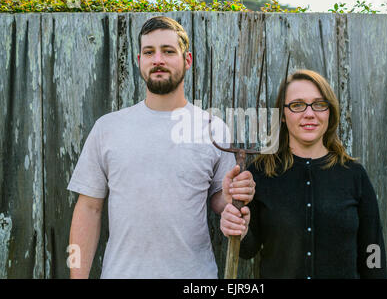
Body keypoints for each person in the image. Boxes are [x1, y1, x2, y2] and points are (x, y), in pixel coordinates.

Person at [67, 16, 255, 279]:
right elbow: (88, 208)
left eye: (168, 51)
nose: (158, 59)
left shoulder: (213, 128)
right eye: (149, 52)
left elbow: (219, 202)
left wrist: (231, 196)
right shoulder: (108, 128)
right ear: (139, 60)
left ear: (187, 60)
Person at [220, 69, 387, 279]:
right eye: (297, 105)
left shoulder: (354, 176)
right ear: (282, 115)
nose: (309, 114)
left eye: (319, 104)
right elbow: (247, 250)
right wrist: (239, 230)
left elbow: (373, 248)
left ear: (329, 111)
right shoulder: (259, 175)